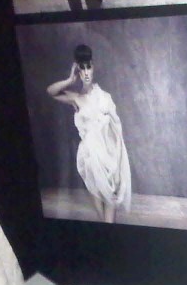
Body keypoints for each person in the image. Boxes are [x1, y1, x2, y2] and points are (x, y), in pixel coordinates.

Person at [46, 44, 131, 224]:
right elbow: (51, 92)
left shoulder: (105, 97)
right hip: (89, 159)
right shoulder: (76, 98)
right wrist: (69, 80)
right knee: (103, 215)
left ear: (93, 67)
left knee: (110, 205)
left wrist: (117, 165)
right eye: (82, 68)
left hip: (109, 157)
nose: (86, 72)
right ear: (78, 71)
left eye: (88, 67)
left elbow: (116, 131)